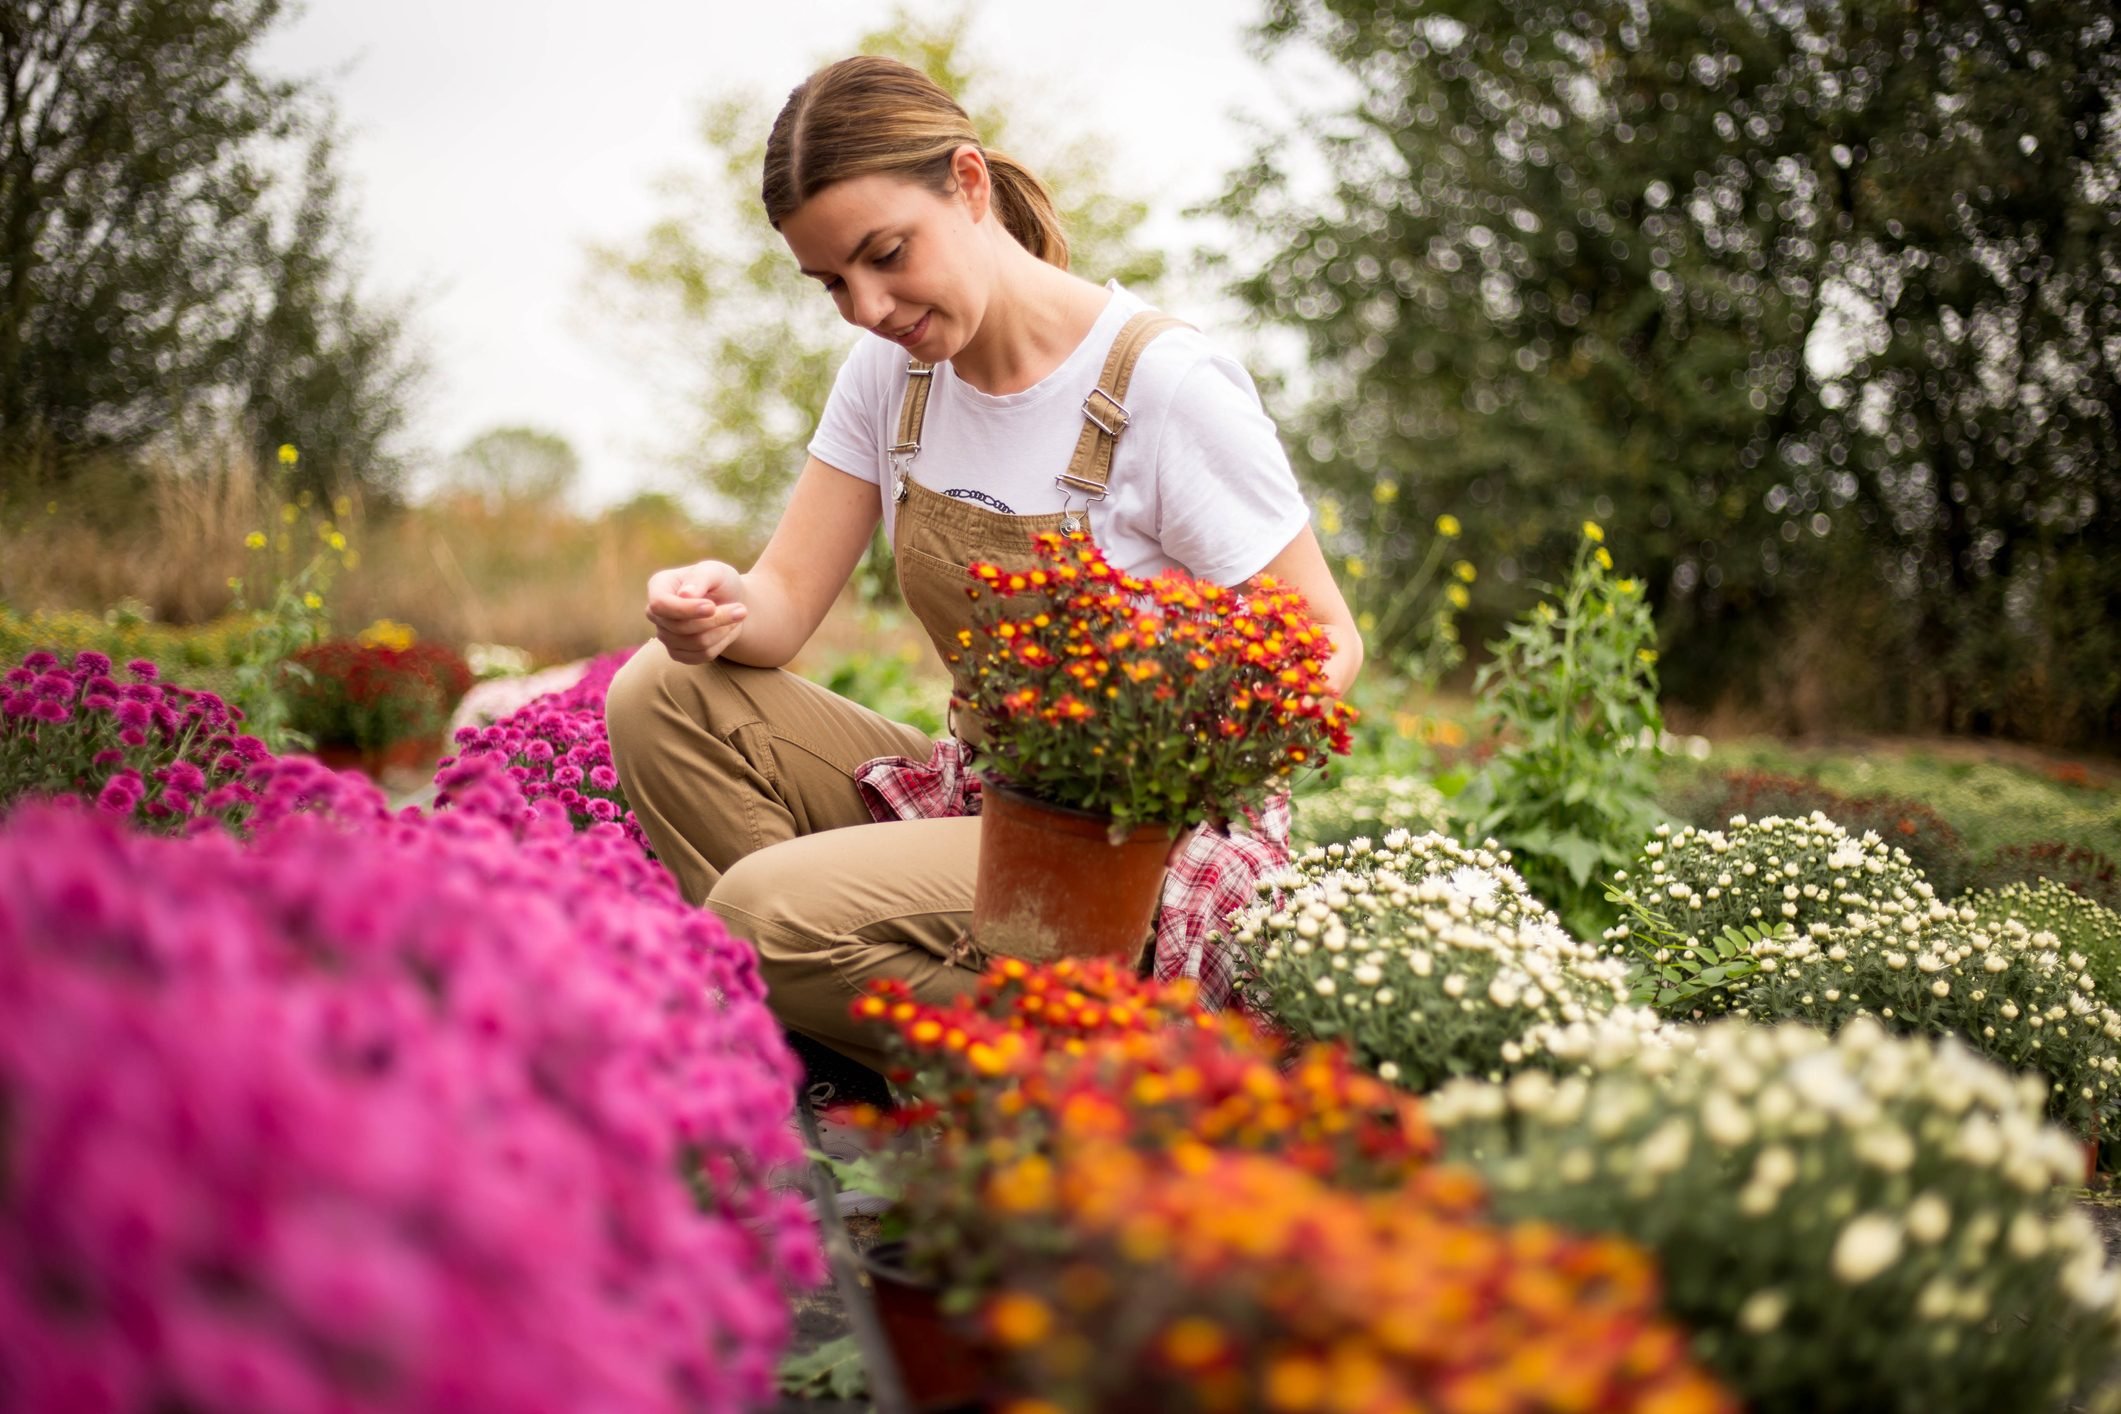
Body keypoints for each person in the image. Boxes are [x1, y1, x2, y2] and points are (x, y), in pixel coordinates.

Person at [605, 54, 1361, 1081]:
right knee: (663, 693)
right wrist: (717, 604)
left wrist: (1161, 772)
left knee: (759, 912)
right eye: (833, 282)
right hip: (984, 798)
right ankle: (864, 1010)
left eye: (885, 255)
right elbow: (780, 605)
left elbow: (1325, 640)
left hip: (1123, 851)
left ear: (968, 184)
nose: (866, 306)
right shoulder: (893, 377)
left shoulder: (1163, 386)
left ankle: (1130, 1076)